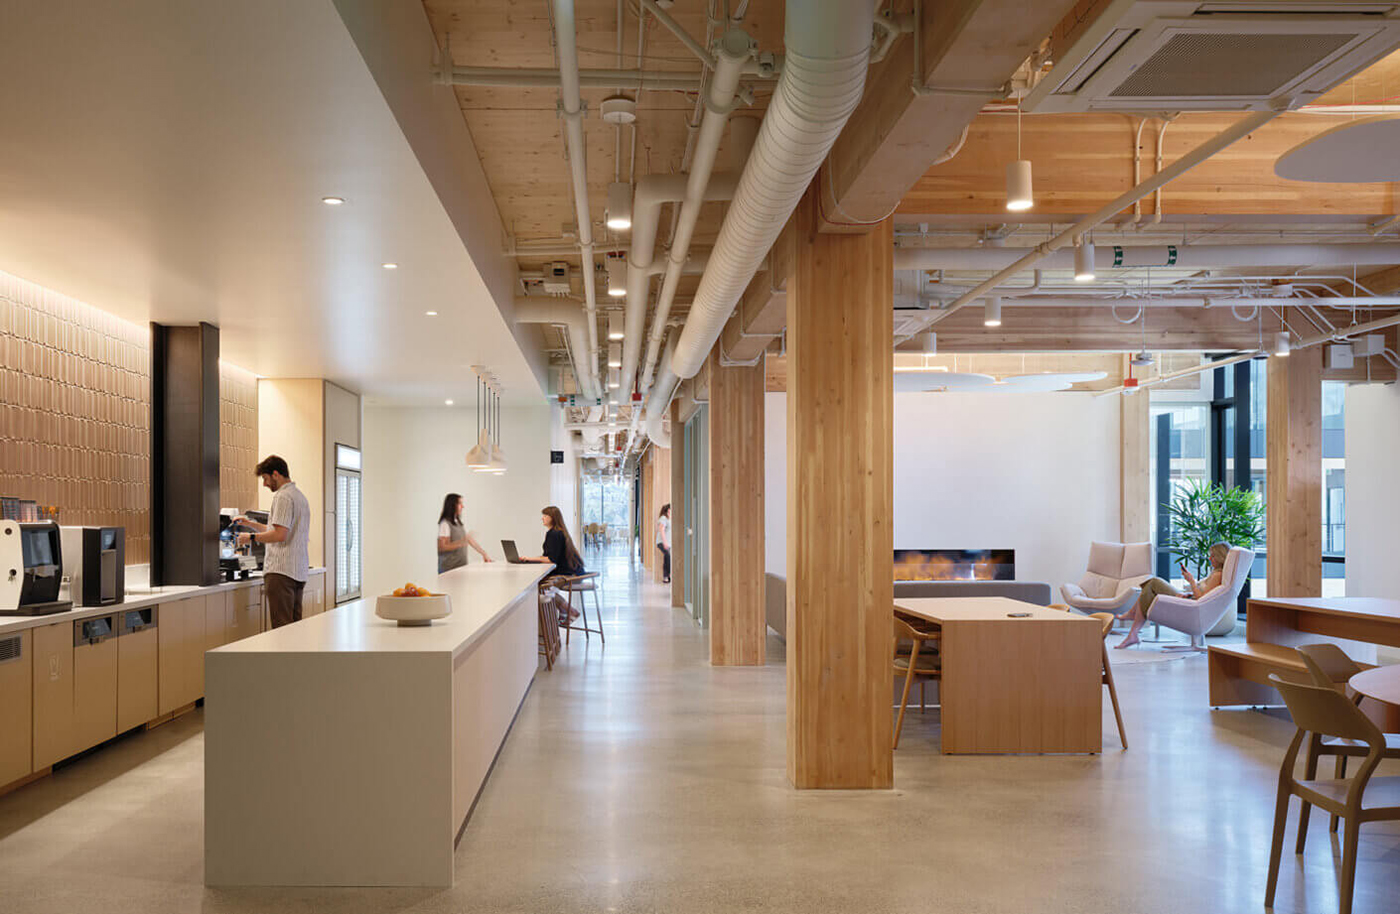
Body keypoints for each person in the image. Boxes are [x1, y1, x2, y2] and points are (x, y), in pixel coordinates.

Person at [235, 455, 311, 629]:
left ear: (276, 474)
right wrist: (250, 524)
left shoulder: (282, 497)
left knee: (281, 629)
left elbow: (279, 535)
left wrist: (250, 537)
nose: (264, 484)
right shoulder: (299, 497)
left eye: (265, 478)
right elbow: (278, 529)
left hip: (280, 572)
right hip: (297, 572)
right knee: (294, 628)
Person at [1116, 541, 1230, 649]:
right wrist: (1188, 594)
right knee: (1149, 588)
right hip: (1190, 600)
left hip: (1191, 605)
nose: (1209, 559)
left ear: (1220, 557)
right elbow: (1207, 596)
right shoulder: (1217, 573)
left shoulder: (1217, 575)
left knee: (1153, 583)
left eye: (1213, 556)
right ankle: (1133, 631)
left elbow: (1202, 599)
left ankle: (1132, 620)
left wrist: (1191, 581)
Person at [522, 506, 585, 625]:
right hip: (573, 572)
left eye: (545, 516)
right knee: (543, 587)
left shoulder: (554, 534)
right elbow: (548, 556)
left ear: (553, 518)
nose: (542, 518)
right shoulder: (557, 532)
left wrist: (529, 559)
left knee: (541, 586)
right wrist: (531, 558)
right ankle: (564, 609)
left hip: (570, 574)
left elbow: (551, 559)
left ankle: (569, 610)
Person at [437, 493, 492, 572]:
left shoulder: (457, 522)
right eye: (460, 503)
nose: (463, 506)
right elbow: (442, 547)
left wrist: (484, 554)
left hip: (460, 567)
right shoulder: (445, 524)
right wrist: (461, 542)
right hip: (449, 569)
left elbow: (468, 540)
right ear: (452, 505)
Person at [655, 503, 671, 584]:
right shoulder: (663, 518)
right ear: (668, 510)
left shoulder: (669, 519)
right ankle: (667, 576)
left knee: (667, 557)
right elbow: (661, 530)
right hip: (662, 542)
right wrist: (665, 543)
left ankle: (667, 576)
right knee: (668, 556)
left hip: (668, 543)